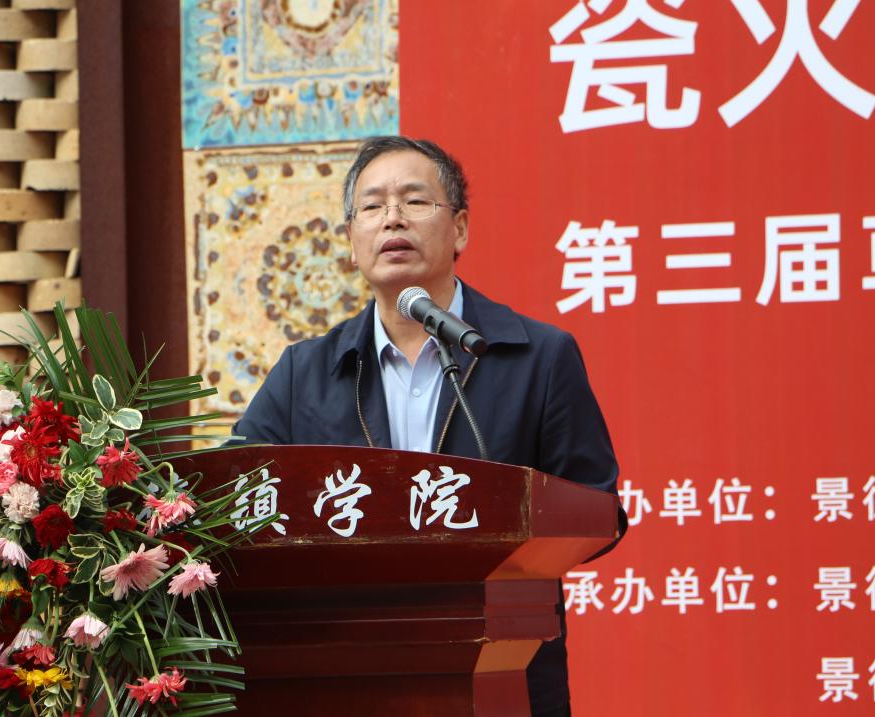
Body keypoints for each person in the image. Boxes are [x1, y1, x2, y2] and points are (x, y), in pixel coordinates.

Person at [233, 136, 625, 716]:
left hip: (502, 672)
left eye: (415, 201)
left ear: (459, 229)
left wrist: (500, 556)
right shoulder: (303, 374)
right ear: (352, 241)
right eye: (372, 206)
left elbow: (597, 506)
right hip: (343, 677)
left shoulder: (539, 358)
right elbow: (234, 497)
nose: (392, 217)